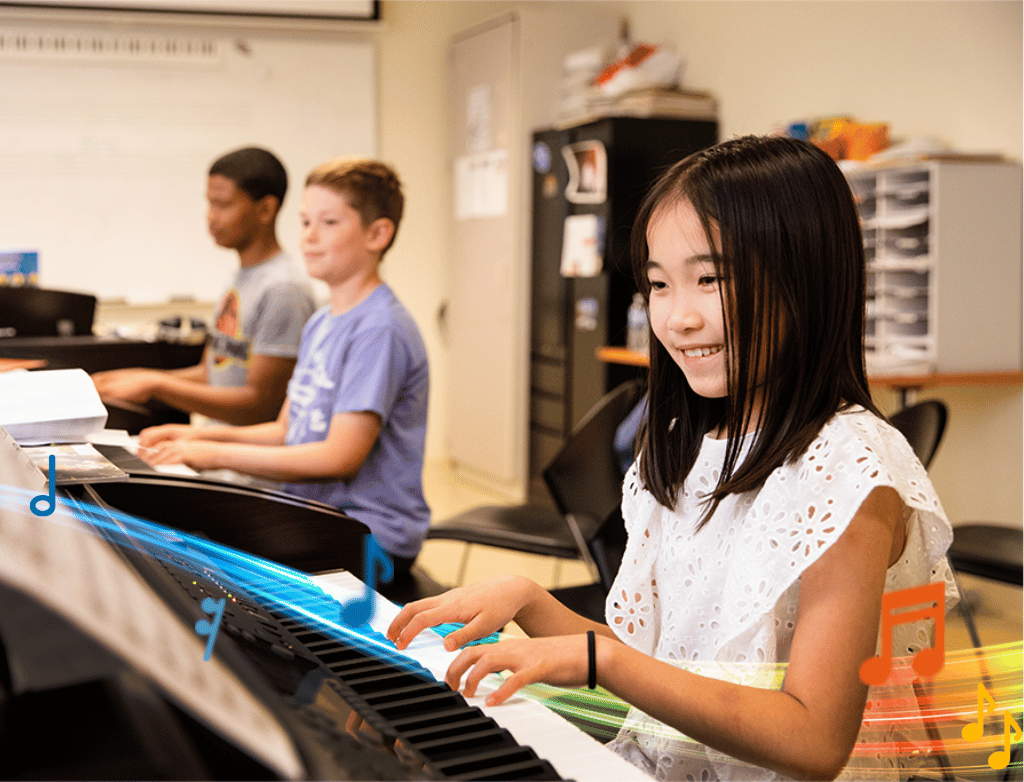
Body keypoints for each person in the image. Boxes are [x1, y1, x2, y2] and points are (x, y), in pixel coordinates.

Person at [385, 136, 957, 781]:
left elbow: (815, 739)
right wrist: (528, 601)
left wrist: (605, 664)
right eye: (658, 284)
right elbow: (658, 670)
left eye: (710, 279)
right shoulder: (689, 439)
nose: (678, 317)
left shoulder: (851, 469)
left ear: (807, 278)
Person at [140, 159, 431, 566]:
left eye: (329, 223)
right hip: (314, 515)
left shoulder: (379, 329)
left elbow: (338, 457)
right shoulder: (320, 322)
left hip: (368, 535)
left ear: (378, 234)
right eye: (305, 222)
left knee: (191, 552)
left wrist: (213, 455)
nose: (309, 238)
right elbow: (286, 430)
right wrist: (197, 439)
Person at [92, 147, 315, 426]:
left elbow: (259, 405)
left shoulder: (284, 290)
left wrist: (156, 384)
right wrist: (136, 377)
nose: (210, 216)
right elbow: (212, 373)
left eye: (223, 205)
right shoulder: (238, 278)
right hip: (216, 449)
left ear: (265, 209)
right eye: (210, 203)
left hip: (245, 464)